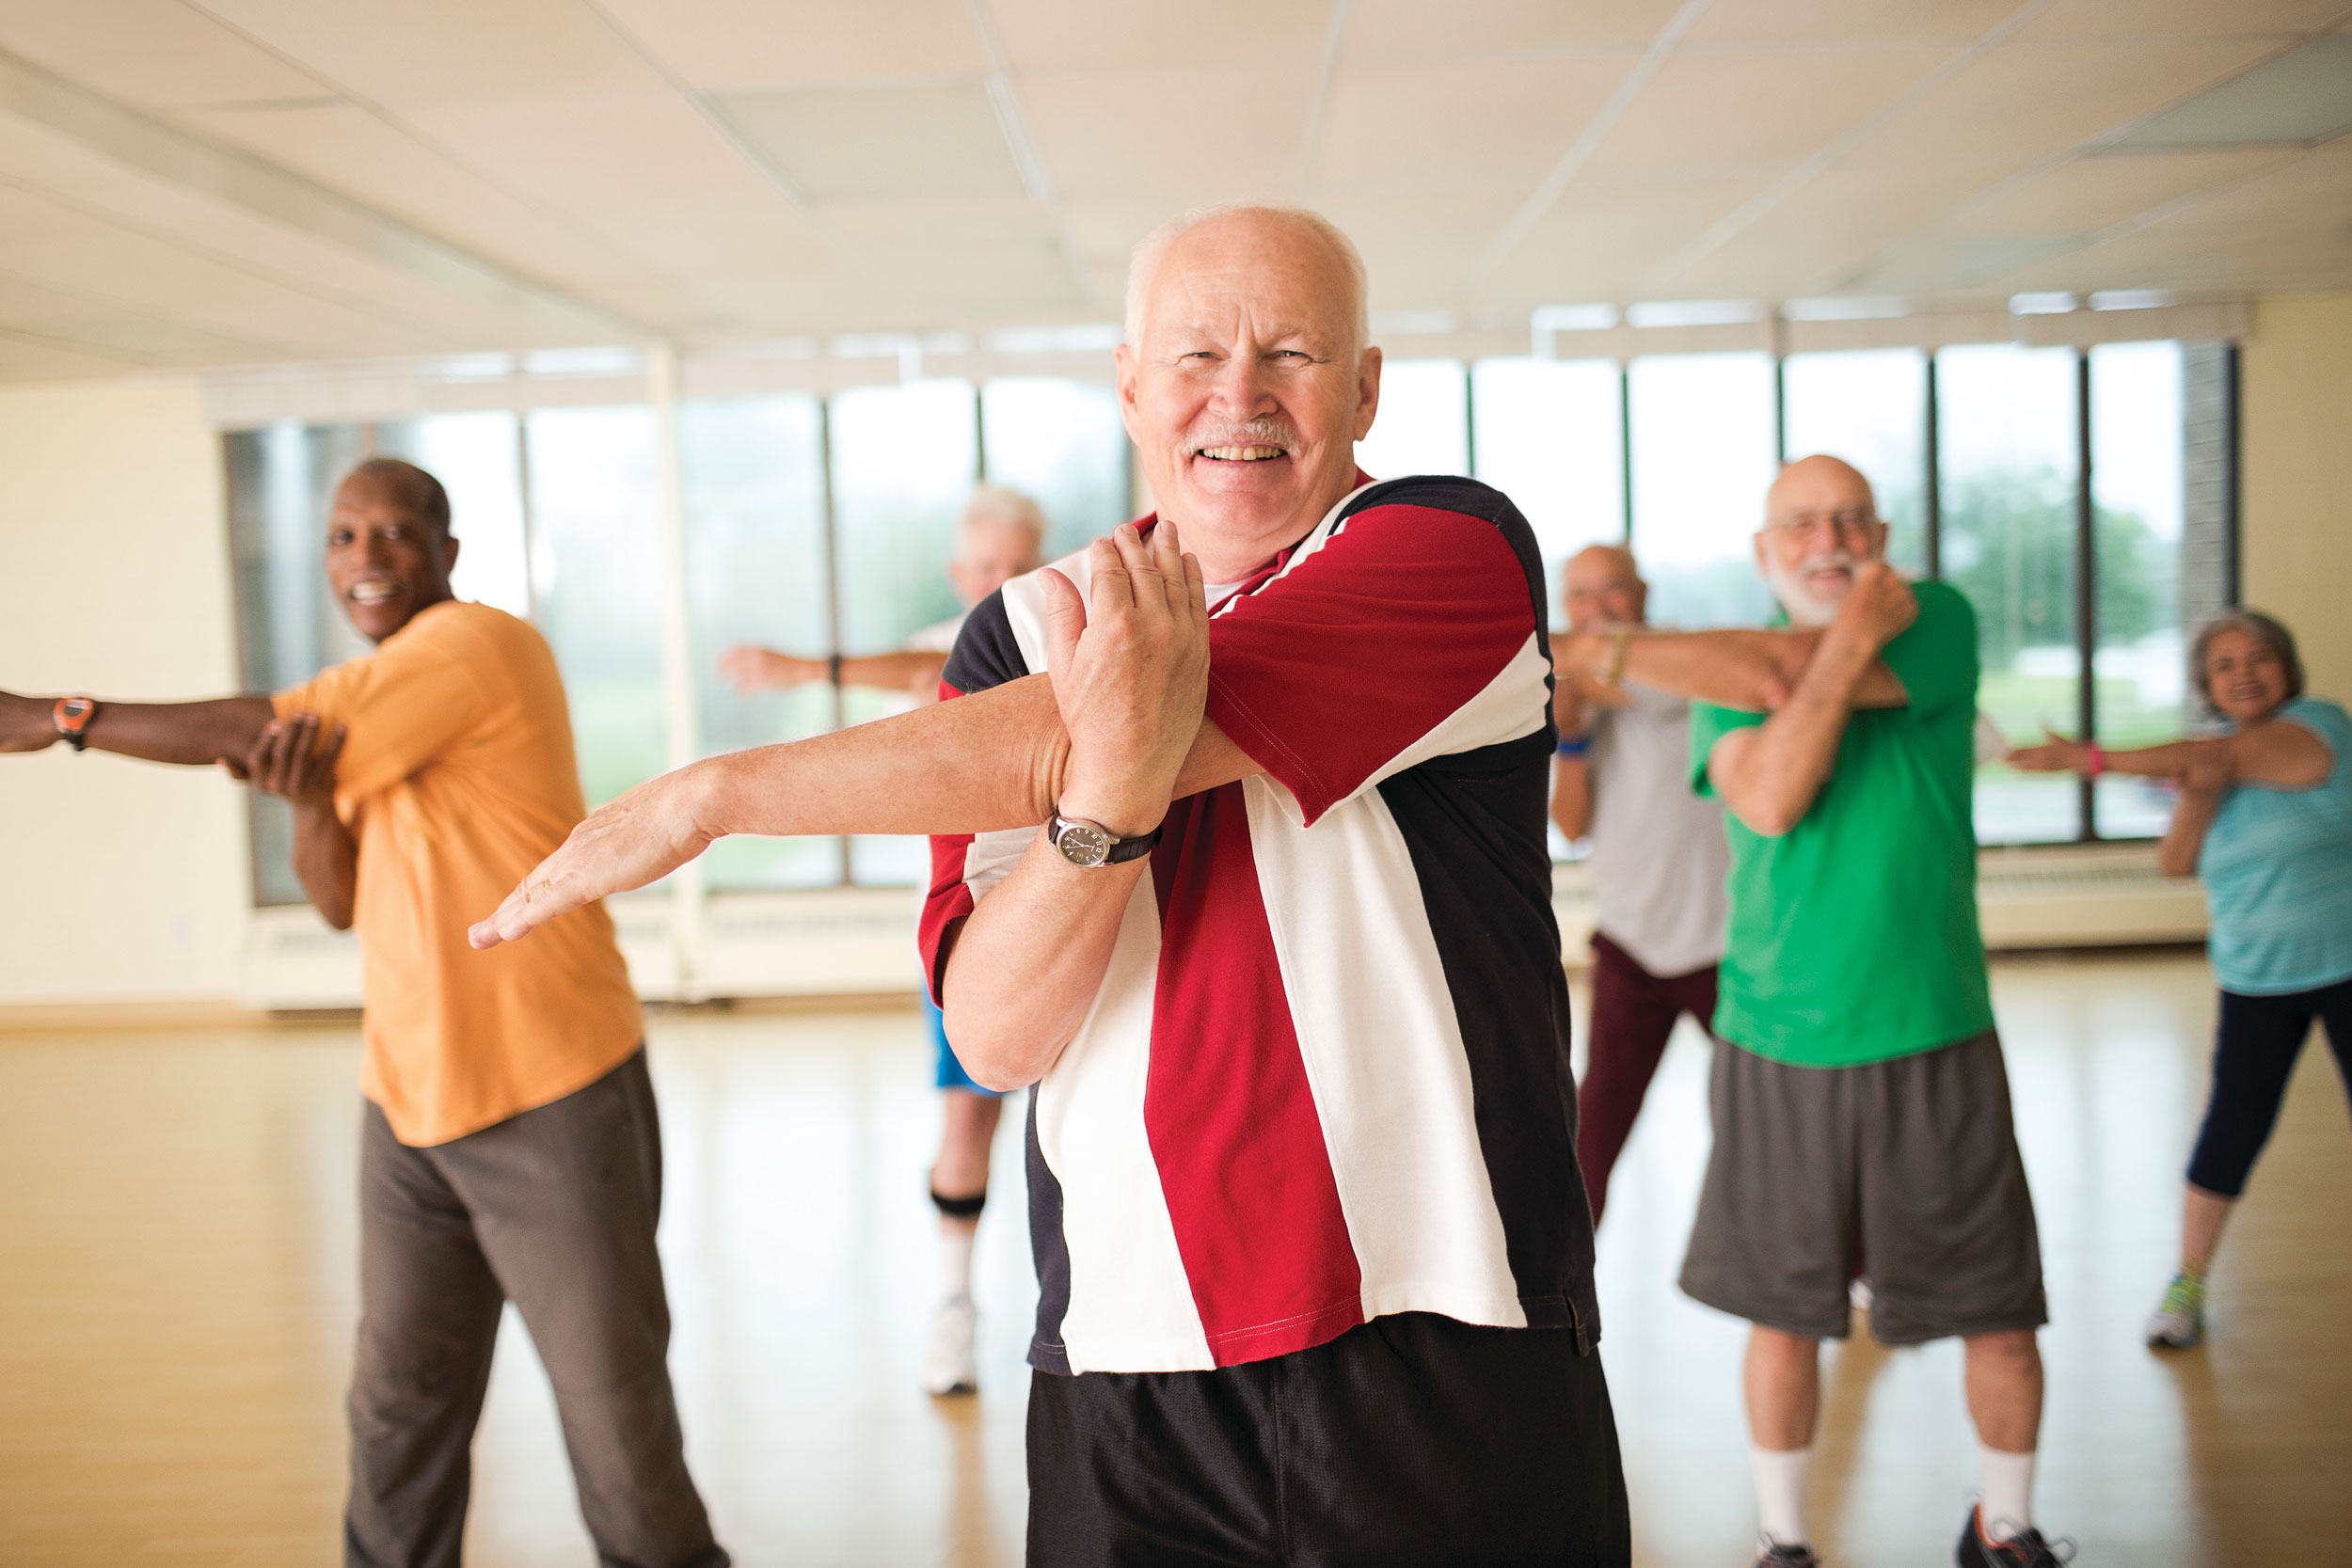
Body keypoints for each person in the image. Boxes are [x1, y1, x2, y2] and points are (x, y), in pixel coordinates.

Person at [473, 203, 1630, 1567]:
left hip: (1447, 1328)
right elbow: (999, 1033)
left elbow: (1067, 731)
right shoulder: (1017, 629)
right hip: (1123, 1364)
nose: (1239, 395)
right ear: (1132, 383)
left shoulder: (1447, 550)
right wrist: (1103, 803)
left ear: (1366, 385)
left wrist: (711, 793)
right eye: (1195, 353)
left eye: (1294, 353)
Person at [1, 458, 726, 1568]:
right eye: (343, 535)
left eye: (394, 531)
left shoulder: (477, 648)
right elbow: (340, 899)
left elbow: (251, 724)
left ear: (447, 553)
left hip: (550, 1085)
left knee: (616, 1429)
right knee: (397, 1415)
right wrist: (303, 803)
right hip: (406, 1102)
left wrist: (57, 718)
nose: (365, 555)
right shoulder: (376, 706)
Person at [1560, 455, 2066, 1568]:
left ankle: (2008, 1525)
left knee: (1996, 1308)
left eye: (1847, 519)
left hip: (1934, 1027)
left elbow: (1792, 668)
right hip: (1775, 1042)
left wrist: (1601, 653)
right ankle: (1783, 1538)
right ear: (1763, 551)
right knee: (1784, 1314)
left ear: (1879, 535)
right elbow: (1775, 795)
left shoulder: (1937, 617)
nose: (1826, 538)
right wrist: (1828, 648)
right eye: (1799, 523)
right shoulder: (1738, 668)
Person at [719, 484, 1049, 1397]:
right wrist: (805, 668)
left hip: (1080, 905)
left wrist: (806, 665)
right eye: (985, 567)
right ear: (957, 573)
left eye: (1018, 563)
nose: (1002, 582)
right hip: (976, 928)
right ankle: (953, 1307)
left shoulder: (1065, 629)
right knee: (966, 1119)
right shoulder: (947, 648)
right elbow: (919, 663)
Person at [2009, 610, 2349, 1350]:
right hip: (2256, 979)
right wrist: (2195, 789)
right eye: (2224, 665)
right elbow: (2175, 861)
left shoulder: (2319, 725)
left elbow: (2226, 758)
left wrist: (2090, 760)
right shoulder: (2212, 761)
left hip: (2345, 962)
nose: (2245, 673)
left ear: (2288, 667)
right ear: (2207, 687)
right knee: (2232, 1129)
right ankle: (2188, 1281)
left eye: (2259, 657)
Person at [1549, 544, 1728, 1224]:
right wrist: (1569, 734)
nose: (1598, 609)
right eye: (1580, 597)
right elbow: (1570, 824)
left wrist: (1568, 674)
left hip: (1725, 941)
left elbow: (1619, 682)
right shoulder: (1576, 697)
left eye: (1613, 591)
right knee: (1594, 1128)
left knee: (1770, 1111)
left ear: (1644, 592)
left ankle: (1846, 1262)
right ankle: (1563, 1285)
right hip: (1630, 944)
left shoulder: (1687, 661)